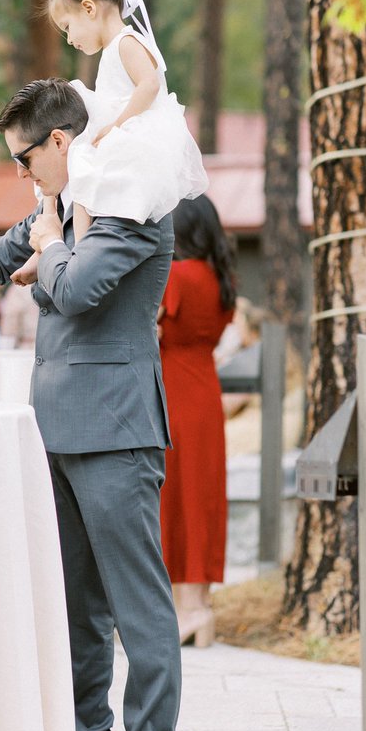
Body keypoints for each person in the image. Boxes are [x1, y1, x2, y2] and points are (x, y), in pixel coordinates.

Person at [0, 76, 182, 731]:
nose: (19, 175)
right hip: (54, 428)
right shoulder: (55, 211)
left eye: (25, 158)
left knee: (136, 604)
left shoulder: (133, 205)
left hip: (116, 430)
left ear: (59, 141)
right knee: (78, 608)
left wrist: (46, 251)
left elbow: (76, 290)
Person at [12, 0, 207, 286]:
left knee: (79, 158)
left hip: (135, 129)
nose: (69, 39)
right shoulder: (114, 48)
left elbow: (149, 85)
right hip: (118, 123)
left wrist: (117, 125)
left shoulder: (126, 43)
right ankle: (55, 241)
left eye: (68, 28)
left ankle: (78, 254)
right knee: (69, 156)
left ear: (89, 8)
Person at [157, 195, 236, 647]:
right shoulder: (219, 276)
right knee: (203, 496)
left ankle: (183, 610)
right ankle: (200, 606)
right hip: (206, 391)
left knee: (175, 496)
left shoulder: (176, 275)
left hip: (173, 393)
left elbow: (150, 327)